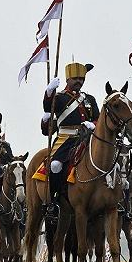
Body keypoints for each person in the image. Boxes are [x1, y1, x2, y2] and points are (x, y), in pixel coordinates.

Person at [40, 62, 99, 221]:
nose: (79, 81)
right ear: (68, 79)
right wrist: (49, 91)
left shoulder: (89, 99)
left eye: (81, 78)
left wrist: (92, 124)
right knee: (55, 165)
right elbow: (47, 107)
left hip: (86, 138)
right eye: (75, 78)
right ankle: (54, 199)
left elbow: (98, 119)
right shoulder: (59, 98)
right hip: (65, 139)